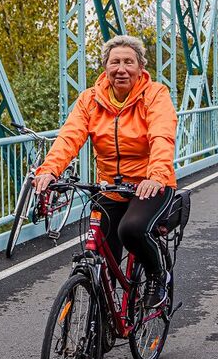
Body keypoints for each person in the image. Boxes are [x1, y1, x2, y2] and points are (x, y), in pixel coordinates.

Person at [34, 35, 178, 308]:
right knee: (103, 254)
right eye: (115, 62)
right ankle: (104, 322)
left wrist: (156, 175)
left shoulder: (155, 95)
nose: (121, 68)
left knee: (132, 230)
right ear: (105, 67)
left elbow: (162, 136)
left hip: (150, 185)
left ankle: (158, 275)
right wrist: (50, 170)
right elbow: (70, 137)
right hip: (109, 187)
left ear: (140, 67)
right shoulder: (90, 99)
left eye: (128, 62)